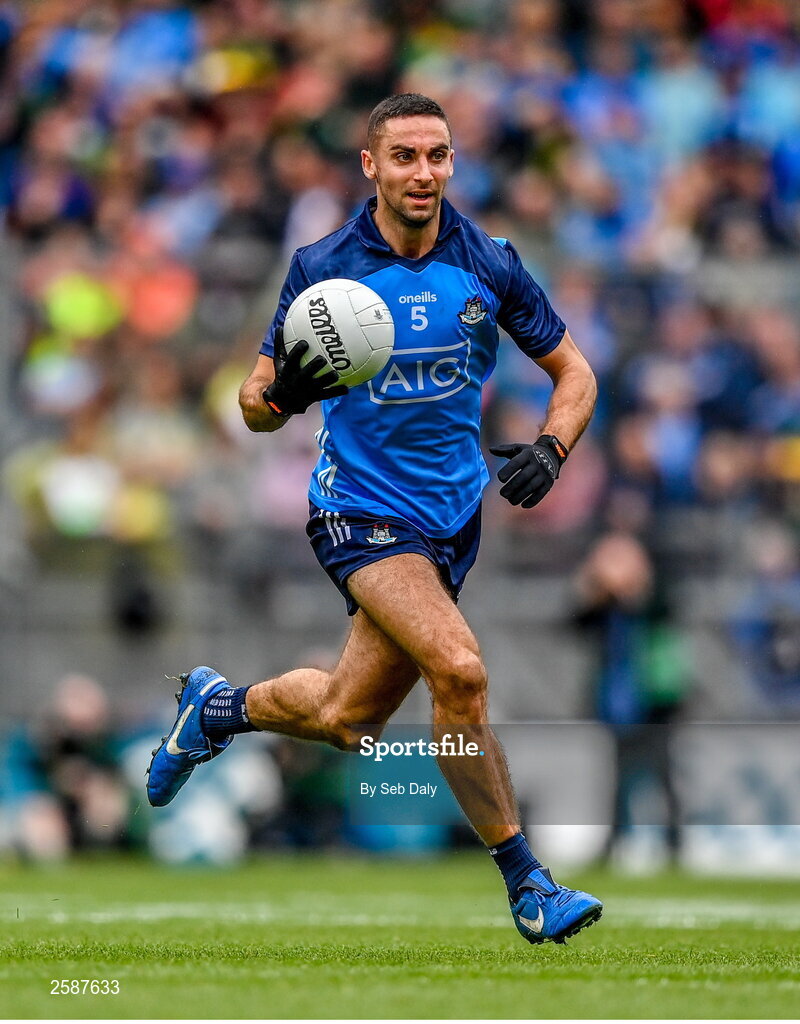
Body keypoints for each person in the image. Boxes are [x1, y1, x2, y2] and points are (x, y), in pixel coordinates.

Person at [147, 94, 601, 945]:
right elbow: (251, 403)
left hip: (451, 522)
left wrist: (553, 447)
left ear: (452, 163)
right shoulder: (323, 269)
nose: (423, 173)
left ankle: (218, 708)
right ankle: (528, 883)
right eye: (404, 157)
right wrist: (282, 395)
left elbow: (575, 372)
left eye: (437, 155)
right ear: (371, 167)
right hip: (358, 512)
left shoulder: (490, 262)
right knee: (460, 671)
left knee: (347, 721)